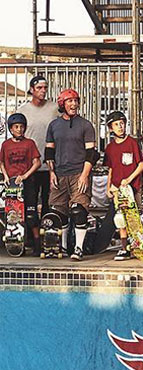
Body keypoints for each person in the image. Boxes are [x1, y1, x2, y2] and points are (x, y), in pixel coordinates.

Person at [45, 89, 98, 261]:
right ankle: (64, 247)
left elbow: (91, 153)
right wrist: (52, 173)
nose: (74, 104)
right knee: (59, 213)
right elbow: (49, 152)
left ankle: (79, 248)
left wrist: (84, 175)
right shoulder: (53, 125)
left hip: (78, 173)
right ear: (62, 104)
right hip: (60, 174)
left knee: (78, 211)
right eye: (70, 101)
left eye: (76, 101)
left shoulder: (85, 125)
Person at [102, 111, 143, 261]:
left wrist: (129, 179)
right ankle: (124, 248)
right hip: (117, 188)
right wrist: (108, 187)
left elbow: (141, 165)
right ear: (110, 128)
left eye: (122, 123)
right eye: (116, 124)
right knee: (120, 219)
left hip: (132, 187)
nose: (120, 127)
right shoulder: (110, 148)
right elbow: (111, 168)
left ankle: (138, 245)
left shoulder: (132, 142)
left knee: (135, 217)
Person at [15, 76, 58, 218]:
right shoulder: (23, 110)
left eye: (45, 87)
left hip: (50, 165)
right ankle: (30, 237)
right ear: (32, 90)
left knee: (49, 204)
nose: (43, 90)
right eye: (39, 88)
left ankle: (48, 234)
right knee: (29, 205)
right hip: (29, 167)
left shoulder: (54, 109)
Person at [0, 114, 42, 255]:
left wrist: (24, 176)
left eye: (22, 126)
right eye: (16, 127)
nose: (19, 129)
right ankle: (17, 245)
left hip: (28, 182)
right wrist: (6, 176)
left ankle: (37, 244)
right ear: (11, 129)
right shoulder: (6, 145)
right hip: (12, 185)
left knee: (30, 214)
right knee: (14, 215)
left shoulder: (29, 143)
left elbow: (37, 162)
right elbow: (1, 162)